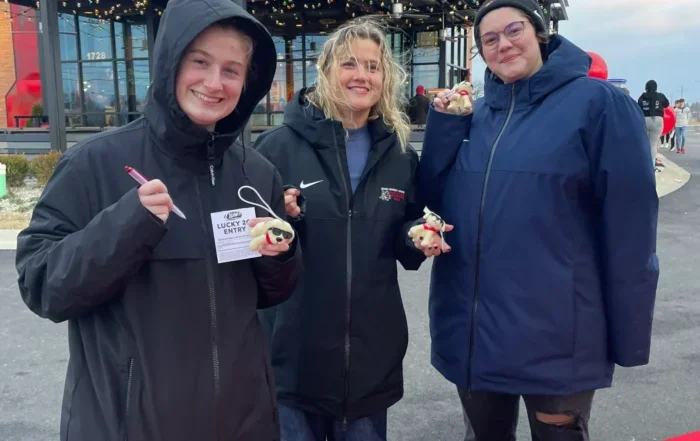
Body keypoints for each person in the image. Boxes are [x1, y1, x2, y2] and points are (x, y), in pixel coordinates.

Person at [14, 0, 302, 439]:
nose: (213, 83)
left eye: (231, 70)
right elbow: (43, 286)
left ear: (248, 81)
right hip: (130, 426)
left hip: (244, 423)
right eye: (199, 62)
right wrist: (129, 224)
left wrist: (279, 255)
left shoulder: (256, 172)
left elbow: (270, 294)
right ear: (170, 64)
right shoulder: (94, 163)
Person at [420, 1, 659, 440]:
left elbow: (631, 231)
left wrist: (627, 337)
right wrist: (445, 126)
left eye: (513, 31)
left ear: (539, 32)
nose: (503, 44)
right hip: (474, 334)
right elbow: (435, 202)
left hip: (559, 340)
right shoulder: (474, 114)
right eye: (489, 39)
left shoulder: (599, 105)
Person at [254, 18, 447, 441]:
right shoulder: (275, 148)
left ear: (385, 78)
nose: (362, 75)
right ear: (325, 70)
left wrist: (418, 236)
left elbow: (403, 238)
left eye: (373, 66)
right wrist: (281, 221)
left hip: (368, 362)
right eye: (349, 64)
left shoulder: (398, 154)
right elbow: (248, 250)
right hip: (293, 358)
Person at [638, 79, 670, 168]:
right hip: (658, 120)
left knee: (646, 143)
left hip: (645, 120)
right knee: (654, 143)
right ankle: (651, 165)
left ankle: (644, 162)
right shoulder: (660, 96)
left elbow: (638, 107)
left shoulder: (642, 97)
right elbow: (667, 105)